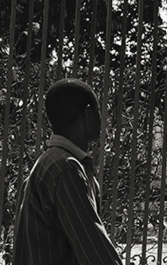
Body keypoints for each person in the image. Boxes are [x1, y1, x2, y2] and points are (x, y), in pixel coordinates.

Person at [12, 78, 122, 265]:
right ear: (88, 114)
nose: (102, 120)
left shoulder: (50, 161)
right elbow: (95, 251)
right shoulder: (66, 169)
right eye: (98, 111)